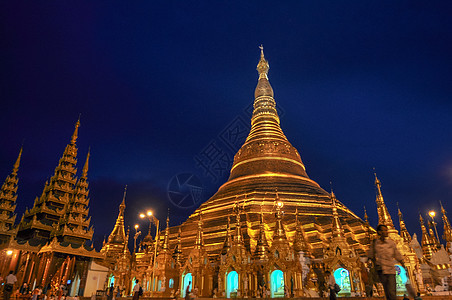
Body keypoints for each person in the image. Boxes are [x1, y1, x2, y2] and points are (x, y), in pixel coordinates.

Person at [368, 224, 405, 300]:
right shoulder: (375, 243)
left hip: (390, 269)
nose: (386, 232)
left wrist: (402, 262)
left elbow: (396, 253)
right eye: (384, 230)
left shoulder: (390, 243)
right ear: (379, 232)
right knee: (387, 290)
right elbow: (370, 255)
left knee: (392, 290)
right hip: (381, 269)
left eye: (386, 230)